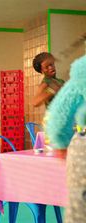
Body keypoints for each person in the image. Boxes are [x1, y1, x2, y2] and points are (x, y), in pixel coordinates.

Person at [45, 52, 86, 223]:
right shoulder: (46, 83)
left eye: (52, 65)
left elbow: (59, 114)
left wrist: (61, 141)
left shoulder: (81, 70)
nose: (51, 68)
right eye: (47, 66)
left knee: (80, 210)